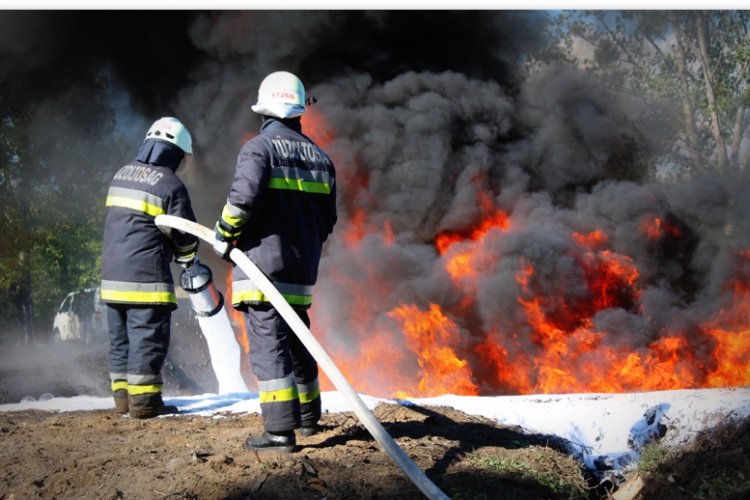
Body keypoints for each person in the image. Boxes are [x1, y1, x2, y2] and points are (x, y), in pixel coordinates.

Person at [213, 71, 337, 453]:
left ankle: (280, 433)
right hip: (301, 275)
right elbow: (328, 221)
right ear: (299, 110)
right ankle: (309, 418)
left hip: (261, 272)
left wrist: (223, 234)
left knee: (269, 349)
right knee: (300, 343)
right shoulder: (322, 158)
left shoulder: (259, 149)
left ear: (264, 108)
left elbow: (242, 201)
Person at [101, 117, 199, 419]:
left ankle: (122, 401)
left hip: (112, 279)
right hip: (146, 280)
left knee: (121, 342)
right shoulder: (169, 184)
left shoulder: (121, 174)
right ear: (175, 153)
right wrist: (188, 261)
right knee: (147, 340)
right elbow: (184, 234)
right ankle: (144, 404)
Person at [9, 281, 34, 345]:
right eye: (21, 284)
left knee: (28, 327)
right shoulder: (20, 292)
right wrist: (12, 295)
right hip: (20, 312)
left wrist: (16, 295)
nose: (21, 285)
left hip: (26, 312)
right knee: (21, 327)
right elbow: (15, 301)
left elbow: (24, 300)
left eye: (23, 283)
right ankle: (22, 342)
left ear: (25, 284)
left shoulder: (27, 292)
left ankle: (30, 343)